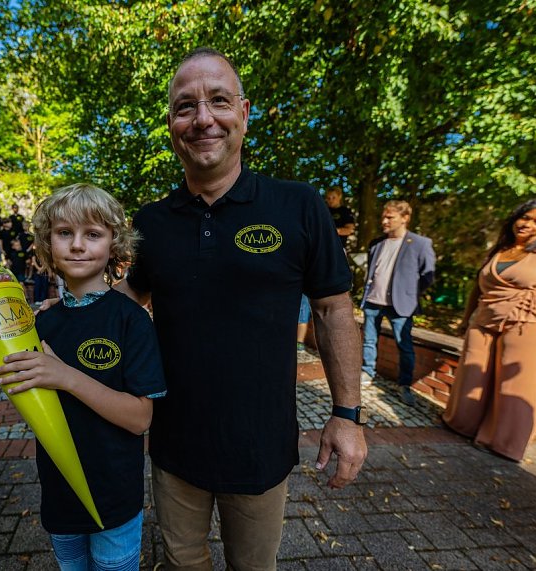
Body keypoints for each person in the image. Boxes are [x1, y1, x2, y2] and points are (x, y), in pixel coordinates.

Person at [122, 48, 367, 569]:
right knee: (182, 563)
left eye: (218, 101)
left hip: (261, 447)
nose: (203, 118)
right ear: (171, 123)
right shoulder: (152, 221)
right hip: (173, 446)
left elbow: (332, 310)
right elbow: (128, 299)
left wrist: (346, 416)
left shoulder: (298, 205)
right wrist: (58, 316)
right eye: (186, 106)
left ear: (245, 112)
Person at [0, 183, 167, 569]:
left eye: (93, 234)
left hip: (114, 493)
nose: (77, 245)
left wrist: (66, 376)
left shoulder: (130, 319)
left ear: (114, 245)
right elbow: (29, 400)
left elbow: (140, 418)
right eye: (64, 233)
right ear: (47, 243)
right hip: (59, 491)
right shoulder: (40, 324)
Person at [442, 198, 536, 461]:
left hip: (532, 320)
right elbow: (478, 288)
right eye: (525, 217)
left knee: (516, 385)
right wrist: (466, 319)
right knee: (472, 374)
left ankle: (504, 444)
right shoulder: (502, 248)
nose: (527, 224)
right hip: (487, 318)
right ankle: (462, 425)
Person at [359, 200, 435, 406]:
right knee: (368, 340)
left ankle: (404, 385)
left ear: (405, 218)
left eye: (389, 217)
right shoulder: (376, 243)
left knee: (405, 346)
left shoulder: (420, 243)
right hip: (374, 300)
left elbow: (428, 276)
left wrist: (409, 293)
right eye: (383, 216)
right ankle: (367, 373)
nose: (384, 221)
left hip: (401, 305)